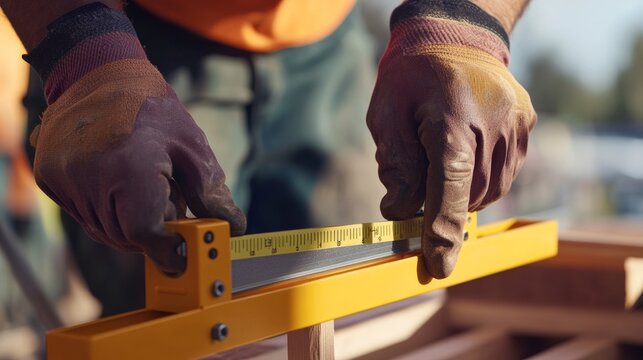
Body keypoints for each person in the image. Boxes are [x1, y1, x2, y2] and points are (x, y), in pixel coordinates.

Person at [0, 0, 536, 297]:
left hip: (327, 35)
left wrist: (469, 25)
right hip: (135, 33)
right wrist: (86, 57)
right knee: (164, 310)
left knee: (359, 308)